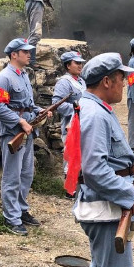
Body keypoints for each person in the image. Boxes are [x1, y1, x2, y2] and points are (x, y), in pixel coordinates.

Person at [72, 53, 134, 267]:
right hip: (105, 208)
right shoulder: (95, 113)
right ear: (106, 81)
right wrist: (130, 193)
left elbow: (106, 159)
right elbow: (94, 170)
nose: (124, 84)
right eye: (120, 79)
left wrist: (130, 163)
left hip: (106, 207)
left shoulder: (97, 108)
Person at [0, 38, 50, 236]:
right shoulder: (3, 78)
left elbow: (28, 104)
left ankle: (22, 209)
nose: (29, 54)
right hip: (13, 132)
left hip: (28, 130)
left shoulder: (24, 75)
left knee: (26, 173)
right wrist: (20, 122)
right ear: (14, 54)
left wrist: (41, 110)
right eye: (24, 52)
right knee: (12, 176)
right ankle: (11, 217)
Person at [53, 50, 86, 198]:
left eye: (81, 63)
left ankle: (79, 185)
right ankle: (70, 190)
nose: (80, 66)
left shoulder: (81, 80)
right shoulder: (64, 82)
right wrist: (76, 109)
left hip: (82, 122)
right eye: (76, 63)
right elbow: (57, 105)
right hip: (71, 124)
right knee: (71, 155)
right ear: (68, 66)